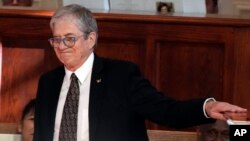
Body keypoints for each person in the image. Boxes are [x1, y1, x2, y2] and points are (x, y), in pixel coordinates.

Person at [34, 4, 247, 141]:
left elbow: (166, 111)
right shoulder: (49, 82)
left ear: (91, 39)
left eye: (69, 38)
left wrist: (206, 107)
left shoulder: (121, 76)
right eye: (56, 39)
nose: (61, 46)